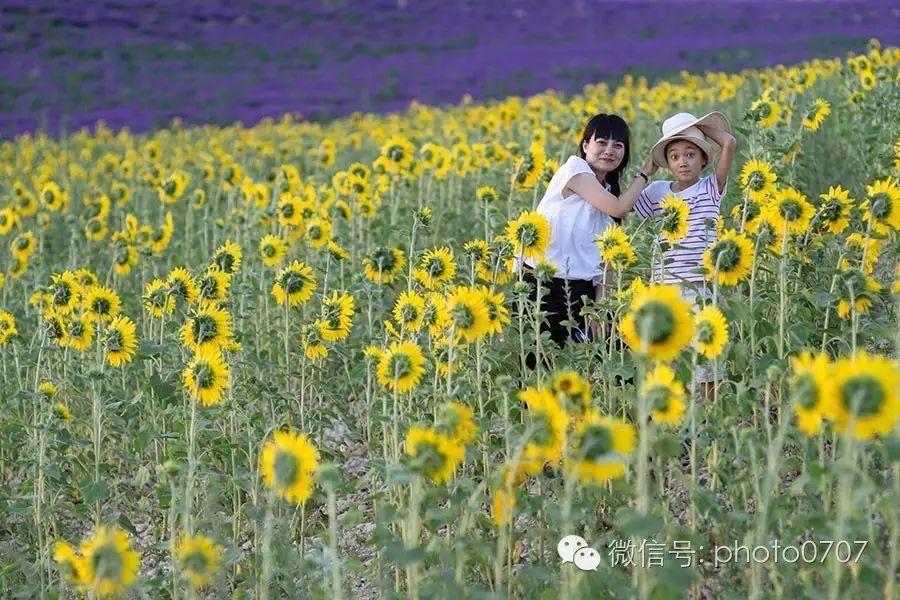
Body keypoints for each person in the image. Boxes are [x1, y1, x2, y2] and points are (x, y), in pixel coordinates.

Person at [520, 113, 657, 368]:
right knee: (540, 370)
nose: (609, 150)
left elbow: (605, 261)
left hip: (583, 295)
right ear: (585, 146)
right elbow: (618, 209)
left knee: (613, 360)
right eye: (601, 142)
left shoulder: (607, 193)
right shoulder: (575, 171)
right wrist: (646, 172)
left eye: (618, 145)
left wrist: (600, 310)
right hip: (543, 286)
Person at [635, 111, 736, 397]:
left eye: (691, 154)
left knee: (706, 360)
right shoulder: (656, 192)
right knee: (671, 360)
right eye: (675, 156)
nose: (683, 161)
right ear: (666, 163)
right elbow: (625, 205)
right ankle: (683, 428)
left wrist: (695, 127)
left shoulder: (711, 188)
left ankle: (709, 425)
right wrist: (645, 170)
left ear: (704, 159)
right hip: (664, 288)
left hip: (701, 286)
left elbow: (728, 143)